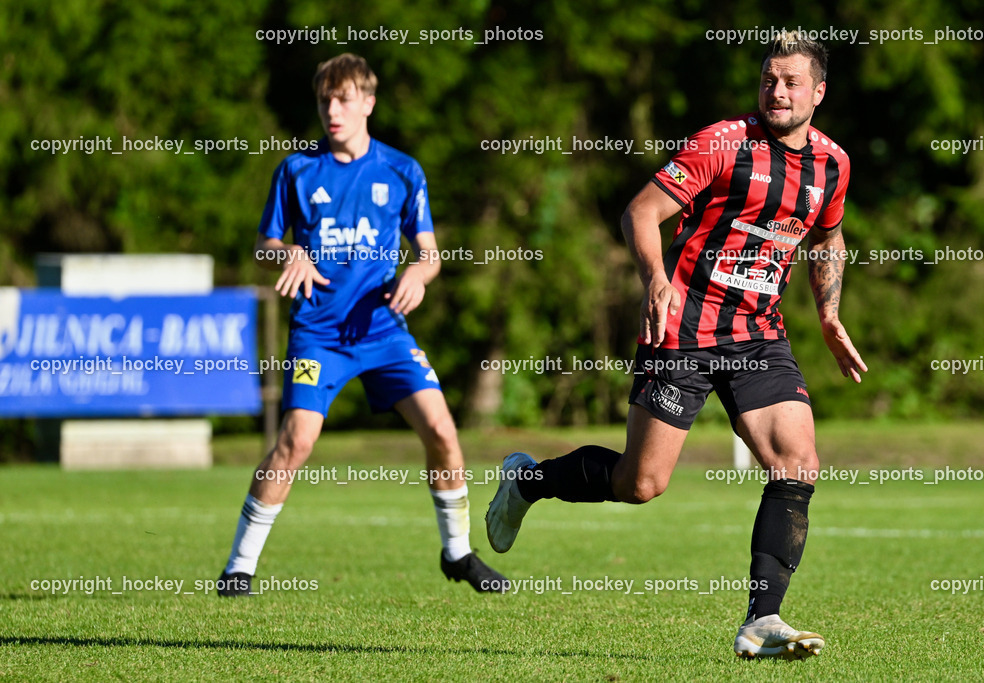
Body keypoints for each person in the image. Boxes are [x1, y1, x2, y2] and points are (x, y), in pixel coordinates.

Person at [486, 32, 866, 658]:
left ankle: (762, 620)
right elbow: (639, 212)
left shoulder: (833, 164)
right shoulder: (722, 143)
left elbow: (827, 237)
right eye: (769, 80)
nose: (777, 91)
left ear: (818, 92)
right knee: (640, 483)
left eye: (792, 82)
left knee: (797, 462)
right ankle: (528, 480)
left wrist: (828, 313)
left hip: (758, 334)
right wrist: (655, 280)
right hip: (683, 330)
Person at [218, 53, 506, 596]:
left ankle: (458, 554)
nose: (333, 110)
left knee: (442, 431)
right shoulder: (297, 170)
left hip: (384, 332)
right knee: (296, 441)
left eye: (344, 99)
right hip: (318, 335)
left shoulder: (402, 170)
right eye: (324, 100)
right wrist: (287, 254)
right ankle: (239, 567)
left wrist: (418, 273)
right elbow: (263, 246)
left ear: (368, 103)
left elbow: (430, 254)